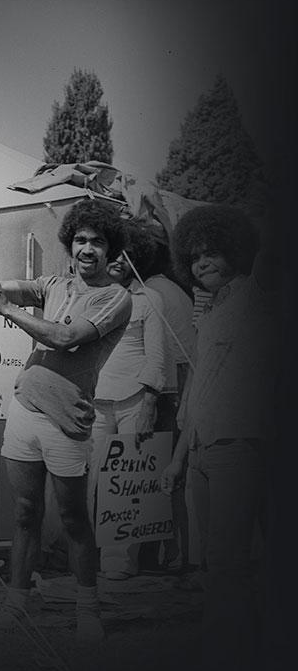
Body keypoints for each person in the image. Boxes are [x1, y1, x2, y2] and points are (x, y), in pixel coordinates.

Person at [0, 199, 131, 641]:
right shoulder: (53, 284)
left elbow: (67, 337)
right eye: (81, 240)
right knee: (26, 513)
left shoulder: (116, 297)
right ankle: (16, 604)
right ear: (70, 245)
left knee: (72, 519)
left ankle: (88, 610)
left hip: (67, 422)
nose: (88, 249)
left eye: (98, 242)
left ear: (111, 251)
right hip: (24, 411)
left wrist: (8, 311)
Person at [161, 204, 279, 671]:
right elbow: (196, 392)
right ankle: (238, 658)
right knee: (213, 564)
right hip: (203, 453)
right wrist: (178, 457)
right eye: (193, 256)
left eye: (213, 251)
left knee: (229, 562)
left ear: (237, 252)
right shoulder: (208, 316)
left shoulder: (257, 298)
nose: (202, 262)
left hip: (239, 447)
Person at [89, 218, 170, 580]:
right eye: (114, 252)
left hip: (135, 398)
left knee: (126, 483)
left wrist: (149, 404)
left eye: (128, 253)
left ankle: (120, 564)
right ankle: (87, 559)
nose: (120, 259)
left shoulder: (150, 298)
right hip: (94, 400)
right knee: (91, 481)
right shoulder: (92, 295)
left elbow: (156, 357)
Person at [139, 223, 196, 573]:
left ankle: (163, 554)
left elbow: (162, 354)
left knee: (157, 476)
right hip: (182, 391)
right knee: (174, 478)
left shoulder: (150, 292)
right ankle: (175, 552)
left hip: (168, 392)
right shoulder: (172, 288)